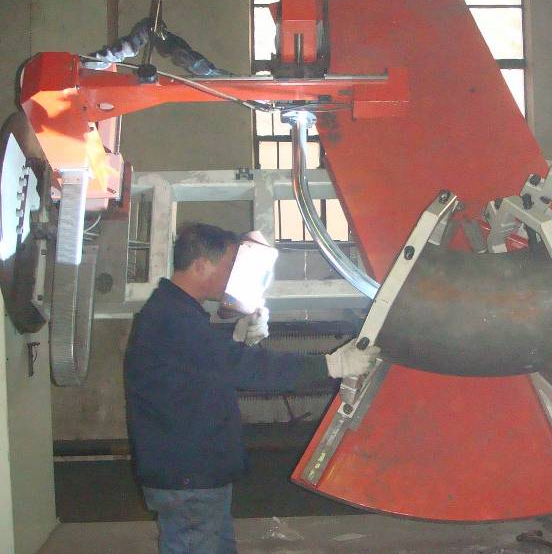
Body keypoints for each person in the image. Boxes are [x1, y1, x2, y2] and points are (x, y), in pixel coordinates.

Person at [124, 223, 379, 553]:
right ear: (201, 265)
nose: (234, 276)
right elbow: (246, 368)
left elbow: (201, 367)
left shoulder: (175, 312)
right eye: (230, 265)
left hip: (192, 471)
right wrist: (332, 365)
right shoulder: (174, 320)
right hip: (188, 476)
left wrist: (236, 337)